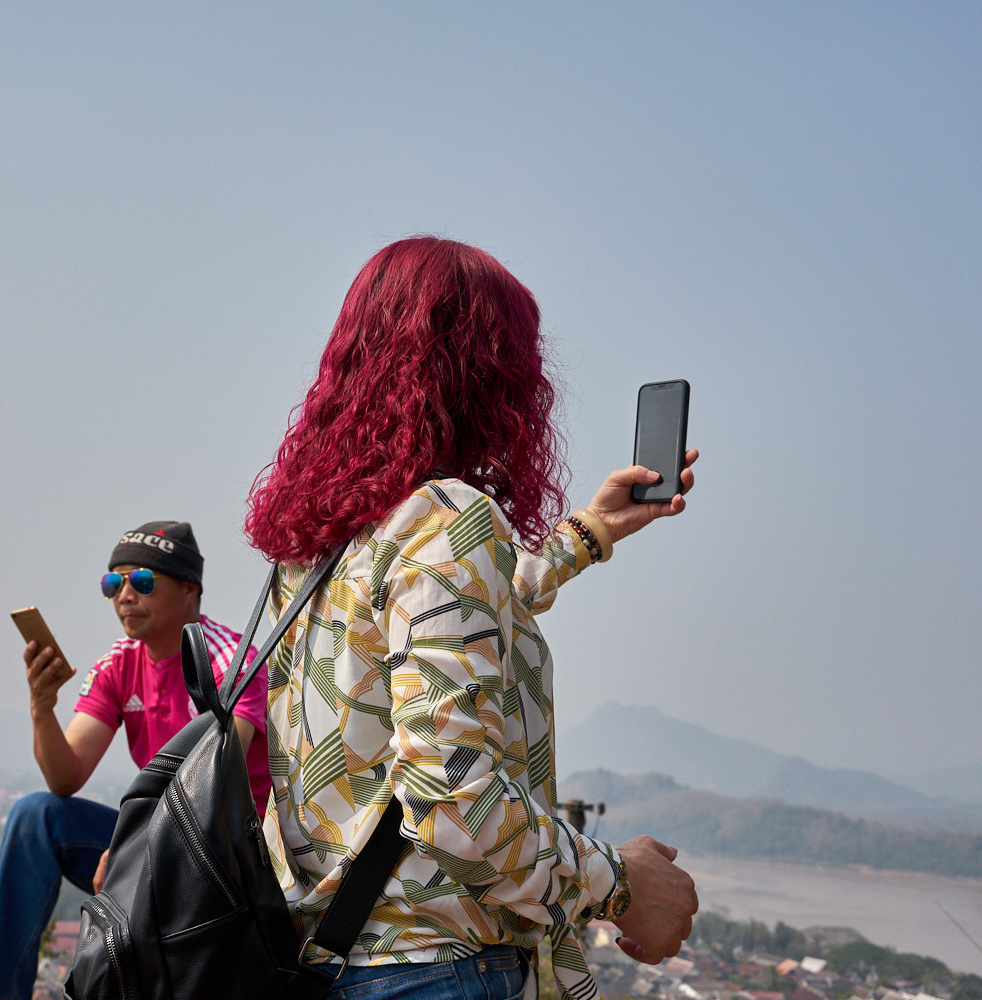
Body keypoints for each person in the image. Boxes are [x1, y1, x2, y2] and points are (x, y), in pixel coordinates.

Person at [245, 237, 701, 1000]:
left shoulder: (320, 543)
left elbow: (439, 624)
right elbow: (459, 802)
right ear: (486, 371)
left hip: (331, 961)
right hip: (435, 973)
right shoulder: (449, 520)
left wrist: (589, 534)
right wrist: (619, 882)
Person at [0, 520, 266, 1000]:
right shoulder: (118, 665)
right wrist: (42, 707)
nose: (124, 595)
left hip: (229, 856)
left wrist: (136, 850)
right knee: (35, 816)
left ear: (189, 589)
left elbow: (215, 784)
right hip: (154, 843)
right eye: (113, 583)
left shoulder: (231, 663)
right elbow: (65, 777)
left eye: (142, 582)